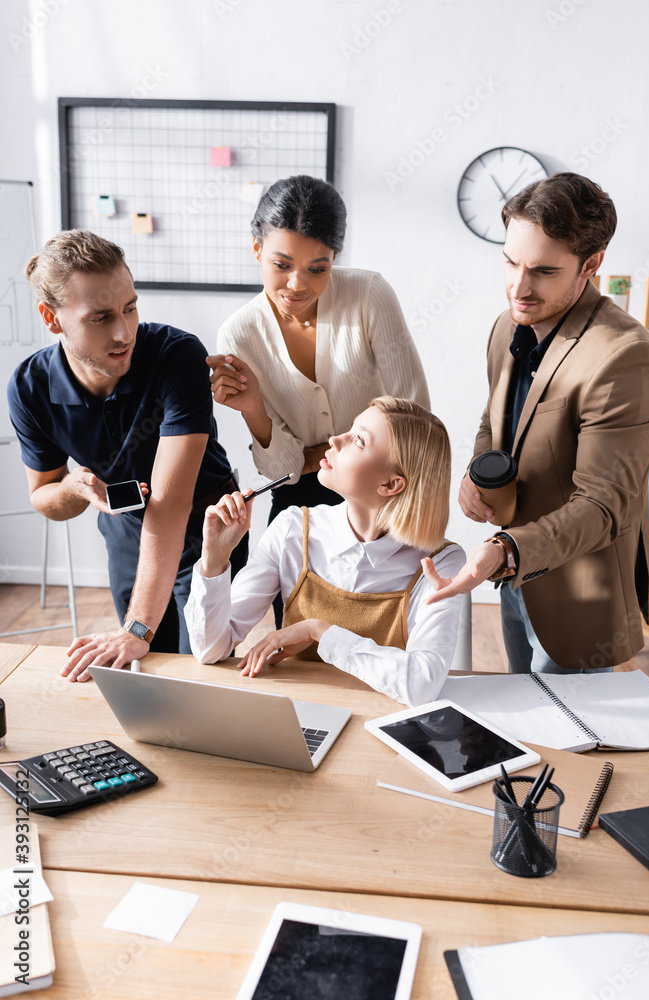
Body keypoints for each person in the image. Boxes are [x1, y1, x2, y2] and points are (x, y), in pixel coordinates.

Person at [425, 173, 649, 673]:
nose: (519, 286)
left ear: (592, 264)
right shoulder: (505, 326)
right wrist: (475, 470)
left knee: (574, 745)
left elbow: (601, 507)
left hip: (578, 597)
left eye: (542, 270)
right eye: (510, 261)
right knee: (528, 732)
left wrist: (504, 548)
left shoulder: (626, 358)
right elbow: (495, 420)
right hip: (512, 576)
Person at [8, 230, 247, 681]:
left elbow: (170, 505)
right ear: (51, 318)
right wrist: (72, 489)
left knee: (203, 667)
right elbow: (43, 497)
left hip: (206, 526)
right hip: (125, 532)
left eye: (130, 308)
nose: (124, 333)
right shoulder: (28, 388)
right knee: (146, 670)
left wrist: (137, 625)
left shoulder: (176, 355)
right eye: (100, 318)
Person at [206, 175, 429, 622]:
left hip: (382, 496)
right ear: (256, 249)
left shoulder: (368, 294)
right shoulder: (239, 333)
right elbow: (284, 472)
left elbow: (416, 420)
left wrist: (313, 455)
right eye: (281, 263)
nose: (297, 284)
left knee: (382, 635)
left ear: (335, 259)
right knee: (294, 638)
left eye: (317, 267)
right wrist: (253, 409)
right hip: (299, 504)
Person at [184, 397, 465, 707]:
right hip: (298, 718)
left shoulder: (441, 562)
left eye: (358, 440)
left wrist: (318, 630)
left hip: (384, 730)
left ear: (390, 484)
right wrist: (214, 559)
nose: (335, 440)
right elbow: (210, 649)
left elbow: (421, 685)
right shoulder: (291, 530)